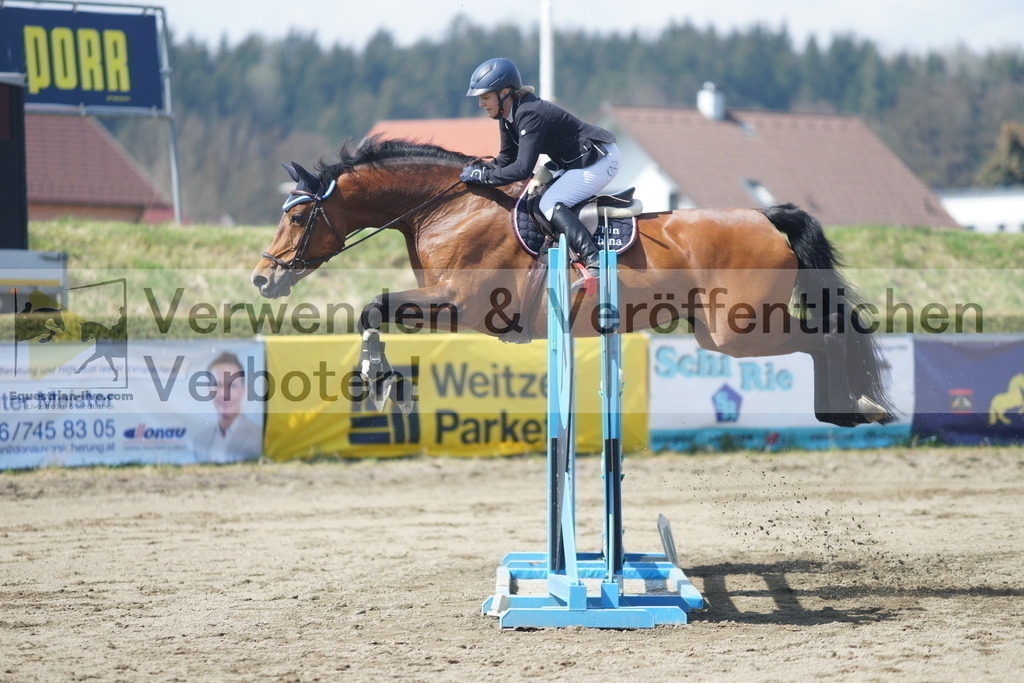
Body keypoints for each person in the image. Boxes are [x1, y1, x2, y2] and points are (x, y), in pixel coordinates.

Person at [460, 57, 621, 285]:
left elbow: (522, 168)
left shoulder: (529, 113)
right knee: (537, 199)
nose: (481, 104)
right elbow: (506, 158)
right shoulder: (507, 115)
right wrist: (479, 168)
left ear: (505, 92)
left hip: (600, 159)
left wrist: (484, 177)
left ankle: (594, 260)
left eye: (485, 97)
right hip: (575, 161)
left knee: (550, 202)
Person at [192, 352, 263, 463]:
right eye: (218, 385)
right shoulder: (200, 441)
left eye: (232, 386)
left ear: (244, 390)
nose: (224, 394)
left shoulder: (258, 438)